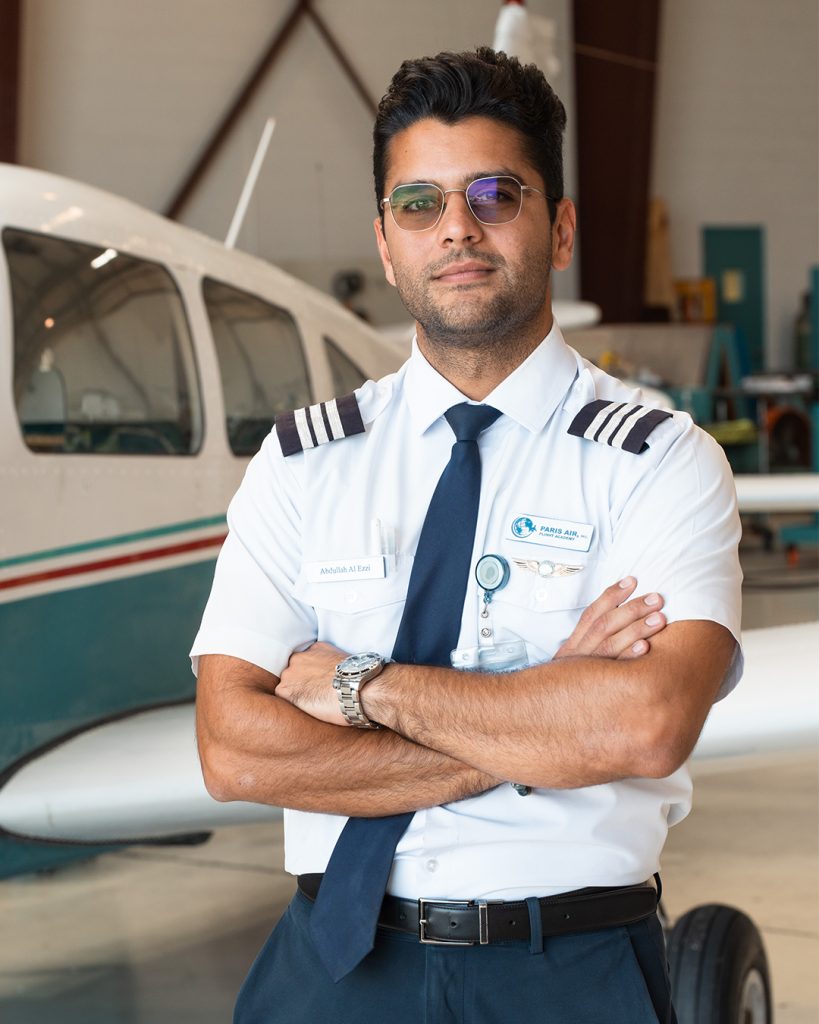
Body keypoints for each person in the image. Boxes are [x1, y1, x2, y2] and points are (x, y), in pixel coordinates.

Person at [192, 47, 742, 1024]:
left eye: (497, 194)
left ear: (561, 226)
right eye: (420, 204)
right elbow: (235, 752)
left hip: (566, 968)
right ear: (388, 239)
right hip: (331, 966)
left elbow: (644, 725)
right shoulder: (301, 463)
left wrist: (362, 686)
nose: (457, 228)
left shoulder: (660, 460)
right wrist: (540, 716)